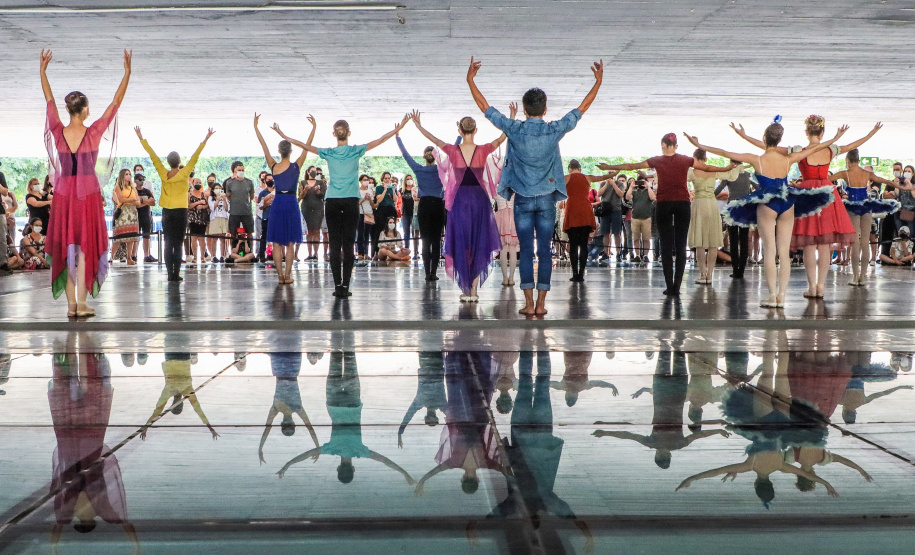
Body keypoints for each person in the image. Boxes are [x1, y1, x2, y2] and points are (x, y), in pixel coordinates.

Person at [469, 57, 604, 316]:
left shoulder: (514, 128)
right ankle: (541, 305)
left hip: (521, 200)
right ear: (544, 109)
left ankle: (528, 304)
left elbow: (485, 108)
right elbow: (581, 108)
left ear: (524, 108)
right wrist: (597, 82)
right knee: (544, 251)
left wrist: (470, 80)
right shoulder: (554, 130)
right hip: (545, 201)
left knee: (526, 253)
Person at [685, 122, 847, 307]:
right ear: (779, 140)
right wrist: (835, 138)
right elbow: (816, 147)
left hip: (767, 204)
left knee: (770, 250)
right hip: (786, 203)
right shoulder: (789, 159)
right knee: (783, 252)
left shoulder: (756, 159)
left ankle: (772, 296)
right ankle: (782, 296)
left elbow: (724, 152)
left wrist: (699, 145)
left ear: (764, 139)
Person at [732, 118, 882, 298]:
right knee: (825, 244)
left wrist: (743, 135)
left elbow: (767, 147)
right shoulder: (830, 150)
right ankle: (821, 287)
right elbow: (852, 145)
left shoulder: (800, 151)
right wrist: (872, 133)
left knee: (809, 243)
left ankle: (812, 287)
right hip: (827, 194)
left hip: (808, 193)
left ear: (806, 132)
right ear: (822, 133)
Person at [275, 115, 410, 297]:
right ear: (349, 133)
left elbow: (305, 147)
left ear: (334, 134)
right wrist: (397, 129)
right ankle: (345, 286)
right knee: (348, 245)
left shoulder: (329, 152)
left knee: (335, 244)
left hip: (332, 202)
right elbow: (380, 140)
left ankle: (337, 286)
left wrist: (284, 135)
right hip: (350, 202)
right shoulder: (355, 150)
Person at [41, 49, 131, 318]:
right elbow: (116, 103)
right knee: (84, 249)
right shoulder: (93, 133)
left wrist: (43, 73)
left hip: (64, 195)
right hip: (87, 195)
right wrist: (127, 73)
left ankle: (72, 306)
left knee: (67, 248)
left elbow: (48, 100)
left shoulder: (57, 131)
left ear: (67, 109)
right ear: (86, 110)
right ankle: (81, 304)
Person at [598, 134, 737, 297]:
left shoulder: (656, 160)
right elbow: (706, 168)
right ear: (676, 146)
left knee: (665, 244)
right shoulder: (685, 160)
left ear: (663, 144)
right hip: (682, 204)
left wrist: (610, 166)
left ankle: (669, 285)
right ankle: (677, 286)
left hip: (664, 204)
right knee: (679, 245)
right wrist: (726, 168)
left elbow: (630, 165)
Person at [411, 108, 510, 302]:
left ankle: (466, 290)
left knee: (463, 242)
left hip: (461, 200)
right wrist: (510, 119)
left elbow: (434, 140)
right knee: (477, 242)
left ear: (459, 130)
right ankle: (473, 290)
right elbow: (501, 138)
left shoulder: (453, 150)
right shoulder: (482, 150)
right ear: (476, 130)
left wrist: (418, 125)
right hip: (480, 200)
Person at [277, 352, 415, 486]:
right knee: (335, 356)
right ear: (338, 468)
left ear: (353, 469)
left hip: (352, 403)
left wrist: (405, 473)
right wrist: (286, 465)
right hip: (334, 403)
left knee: (350, 355)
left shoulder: (359, 451)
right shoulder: (331, 449)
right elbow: (306, 454)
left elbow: (385, 461)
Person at [136, 126, 214, 283]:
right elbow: (195, 157)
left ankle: (169, 274)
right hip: (180, 212)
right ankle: (176, 273)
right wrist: (205, 139)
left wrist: (141, 137)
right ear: (179, 163)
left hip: (167, 212)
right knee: (178, 243)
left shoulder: (163, 173)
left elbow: (153, 155)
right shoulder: (184, 174)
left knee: (168, 242)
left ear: (168, 162)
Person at [830, 149, 906, 282]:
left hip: (853, 207)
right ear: (858, 160)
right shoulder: (866, 173)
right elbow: (885, 180)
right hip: (866, 207)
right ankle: (863, 276)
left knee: (855, 243)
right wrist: (904, 187)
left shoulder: (845, 173)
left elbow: (826, 179)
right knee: (865, 242)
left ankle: (855, 277)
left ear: (847, 161)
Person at [254, 114, 312, 284]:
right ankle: (287, 276)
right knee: (290, 242)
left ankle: (280, 277)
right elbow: (306, 147)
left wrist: (256, 127)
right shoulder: (296, 165)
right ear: (291, 151)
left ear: (279, 151)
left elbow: (263, 146)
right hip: (292, 202)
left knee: (278, 242)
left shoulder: (273, 165)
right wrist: (313, 128)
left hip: (278, 202)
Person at [687, 150, 744, 285]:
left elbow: (676, 176)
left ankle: (703, 274)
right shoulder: (713, 170)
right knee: (712, 242)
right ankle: (710, 275)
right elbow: (731, 176)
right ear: (705, 159)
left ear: (694, 158)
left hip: (699, 204)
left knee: (699, 242)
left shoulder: (691, 172)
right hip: (712, 204)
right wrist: (736, 165)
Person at [396, 135, 447, 281]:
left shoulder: (419, 169)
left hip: (424, 205)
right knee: (436, 239)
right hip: (437, 204)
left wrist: (398, 138)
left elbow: (405, 155)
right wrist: (459, 136)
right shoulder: (441, 168)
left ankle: (427, 273)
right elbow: (452, 152)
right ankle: (434, 272)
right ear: (436, 157)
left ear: (424, 157)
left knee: (425, 240)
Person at [140, 352, 220, 441]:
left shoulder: (186, 390)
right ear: (172, 404)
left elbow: (198, 409)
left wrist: (210, 428)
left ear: (182, 404)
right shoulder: (170, 390)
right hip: (170, 358)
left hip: (184, 358)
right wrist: (145, 427)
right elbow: (158, 411)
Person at [257, 353, 320, 463]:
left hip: (292, 370)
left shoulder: (295, 408)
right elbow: (267, 428)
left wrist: (318, 447)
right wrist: (260, 449)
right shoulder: (279, 408)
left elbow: (310, 429)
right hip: (280, 370)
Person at [564, 160, 614, 282]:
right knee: (584, 244)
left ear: (570, 168)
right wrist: (615, 171)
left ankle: (575, 273)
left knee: (573, 244)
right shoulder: (587, 177)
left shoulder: (566, 178)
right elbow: (603, 177)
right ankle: (581, 274)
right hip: (585, 210)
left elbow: (550, 180)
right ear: (580, 168)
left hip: (572, 210)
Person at [714, 162, 755, 278]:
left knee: (733, 239)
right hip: (745, 208)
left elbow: (717, 191)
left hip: (732, 208)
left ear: (733, 163)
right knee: (744, 239)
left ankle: (735, 268)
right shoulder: (748, 175)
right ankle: (741, 270)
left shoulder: (729, 175)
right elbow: (757, 187)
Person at [110, 168, 140, 266]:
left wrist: (128, 200)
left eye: (129, 174)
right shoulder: (118, 187)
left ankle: (129, 257)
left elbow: (138, 201)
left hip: (132, 214)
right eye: (126, 174)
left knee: (131, 237)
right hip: (123, 214)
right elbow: (121, 200)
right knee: (119, 237)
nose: (129, 176)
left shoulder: (132, 187)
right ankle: (111, 257)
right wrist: (131, 200)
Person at [225, 161, 256, 253]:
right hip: (234, 212)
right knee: (233, 233)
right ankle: (233, 251)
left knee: (249, 233)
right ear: (235, 171)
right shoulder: (230, 183)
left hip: (247, 212)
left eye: (243, 170)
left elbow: (252, 196)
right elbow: (228, 196)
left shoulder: (249, 182)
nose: (241, 171)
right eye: (239, 170)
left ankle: (250, 251)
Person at [298, 164, 327, 261]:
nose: (314, 172)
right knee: (309, 231)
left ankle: (316, 253)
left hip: (318, 209)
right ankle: (309, 254)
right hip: (306, 208)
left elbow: (323, 195)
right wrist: (305, 190)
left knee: (316, 231)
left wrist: (318, 191)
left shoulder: (320, 182)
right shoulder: (302, 182)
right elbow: (300, 196)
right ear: (308, 172)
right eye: (312, 170)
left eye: (315, 171)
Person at [627, 178, 656, 263]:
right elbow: (628, 197)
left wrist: (648, 187)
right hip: (635, 218)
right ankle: (637, 255)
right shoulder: (635, 192)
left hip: (646, 218)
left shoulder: (648, 192)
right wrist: (631, 186)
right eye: (640, 182)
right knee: (636, 238)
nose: (641, 184)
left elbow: (653, 197)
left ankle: (646, 255)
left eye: (643, 182)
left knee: (646, 238)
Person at [598, 175, 626, 261]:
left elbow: (621, 194)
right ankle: (606, 252)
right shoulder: (603, 183)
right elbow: (599, 194)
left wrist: (614, 184)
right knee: (605, 233)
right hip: (605, 210)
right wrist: (606, 184)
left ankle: (618, 253)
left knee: (617, 232)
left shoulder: (620, 184)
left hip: (616, 210)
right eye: (609, 173)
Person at [494, 193, 519, 285]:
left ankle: (505, 278)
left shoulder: (497, 188)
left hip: (501, 218)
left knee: (503, 249)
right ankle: (510, 278)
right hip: (513, 217)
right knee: (512, 249)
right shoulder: (515, 187)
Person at [373, 171, 399, 255]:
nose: (387, 180)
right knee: (380, 230)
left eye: (388, 178)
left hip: (391, 210)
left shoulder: (392, 188)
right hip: (382, 210)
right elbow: (379, 200)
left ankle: (391, 250)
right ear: (382, 179)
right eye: (386, 178)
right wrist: (384, 190)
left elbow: (395, 200)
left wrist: (394, 190)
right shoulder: (379, 188)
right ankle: (377, 251)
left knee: (391, 229)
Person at [134, 173, 157, 263]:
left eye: (143, 179)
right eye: (140, 179)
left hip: (146, 215)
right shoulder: (133, 191)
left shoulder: (147, 191)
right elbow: (136, 204)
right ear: (135, 181)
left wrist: (143, 201)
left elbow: (153, 203)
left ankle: (146, 255)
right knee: (136, 236)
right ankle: (134, 254)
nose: (142, 181)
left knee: (146, 235)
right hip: (136, 215)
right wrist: (146, 202)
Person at [186, 177, 210, 264]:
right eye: (196, 182)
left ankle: (203, 257)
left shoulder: (204, 194)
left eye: (200, 182)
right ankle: (195, 257)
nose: (198, 184)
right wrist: (198, 203)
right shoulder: (189, 194)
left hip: (202, 218)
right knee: (194, 238)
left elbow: (207, 206)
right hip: (193, 218)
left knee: (202, 239)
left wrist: (203, 206)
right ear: (192, 183)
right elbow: (188, 206)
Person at [207, 181, 230, 262]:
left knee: (223, 238)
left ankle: (223, 255)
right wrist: (217, 199)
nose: (218, 190)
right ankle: (213, 256)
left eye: (219, 188)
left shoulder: (225, 198)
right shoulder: (210, 198)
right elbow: (212, 207)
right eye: (216, 188)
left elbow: (227, 209)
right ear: (213, 190)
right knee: (214, 238)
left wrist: (224, 200)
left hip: (223, 217)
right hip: (215, 218)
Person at [356, 174, 375, 260]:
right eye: (364, 179)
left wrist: (370, 199)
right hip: (360, 213)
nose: (366, 181)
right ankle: (360, 252)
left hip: (369, 213)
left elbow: (373, 204)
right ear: (360, 181)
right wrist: (363, 199)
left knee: (367, 234)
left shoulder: (370, 191)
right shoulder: (357, 191)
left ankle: (366, 253)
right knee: (360, 233)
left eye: (367, 179)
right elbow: (356, 204)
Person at [255, 174, 274, 263]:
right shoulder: (262, 193)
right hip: (266, 217)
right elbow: (260, 206)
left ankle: (277, 255)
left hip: (276, 217)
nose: (270, 180)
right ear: (265, 181)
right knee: (264, 236)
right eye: (268, 179)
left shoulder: (277, 191)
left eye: (271, 179)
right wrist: (267, 203)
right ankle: (262, 255)